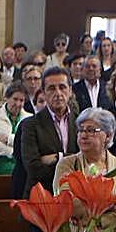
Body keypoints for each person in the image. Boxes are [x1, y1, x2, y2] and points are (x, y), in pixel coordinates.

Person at [17, 67, 79, 195]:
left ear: (70, 91)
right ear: (43, 93)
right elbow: (33, 168)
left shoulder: (80, 122)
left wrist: (58, 157)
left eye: (62, 87)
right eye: (51, 88)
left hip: (75, 195)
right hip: (42, 195)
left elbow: (86, 161)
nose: (58, 93)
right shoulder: (30, 125)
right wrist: (71, 161)